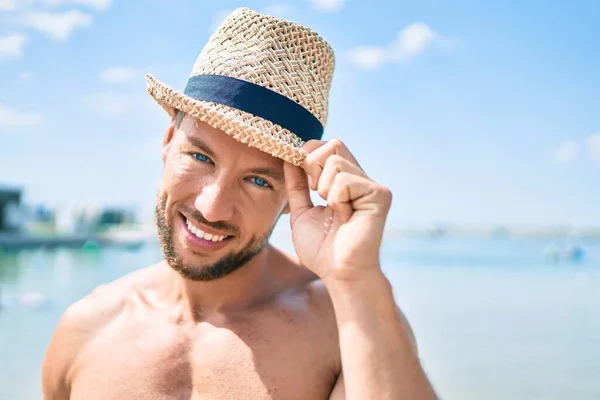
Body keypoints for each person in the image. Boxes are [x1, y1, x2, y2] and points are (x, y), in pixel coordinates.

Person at [41, 7, 438, 400]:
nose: (212, 208)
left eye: (258, 180)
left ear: (291, 198)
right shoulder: (87, 327)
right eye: (200, 157)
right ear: (167, 142)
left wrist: (356, 279)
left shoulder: (344, 329)